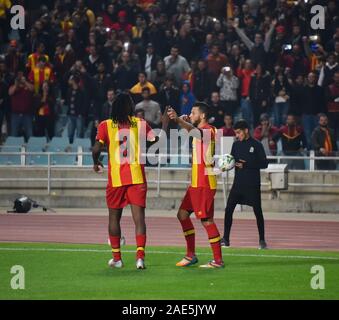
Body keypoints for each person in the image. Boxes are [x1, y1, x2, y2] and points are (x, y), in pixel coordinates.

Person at [92, 93, 167, 269]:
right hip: (137, 177)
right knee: (139, 219)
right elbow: (157, 141)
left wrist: (96, 162)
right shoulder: (140, 124)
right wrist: (164, 122)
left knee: (113, 219)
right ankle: (140, 257)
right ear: (130, 107)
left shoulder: (106, 125)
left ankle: (117, 259)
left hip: (116, 180)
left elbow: (96, 149)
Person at [167, 102, 224, 268]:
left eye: (193, 112)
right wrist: (184, 122)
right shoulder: (200, 131)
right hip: (196, 183)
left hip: (204, 183)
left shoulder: (209, 130)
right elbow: (192, 130)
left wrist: (178, 120)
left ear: (203, 115)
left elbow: (195, 131)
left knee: (207, 220)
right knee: (182, 215)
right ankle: (191, 255)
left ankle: (218, 261)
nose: (190, 114)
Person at [221, 119, 268, 250]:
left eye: (238, 132)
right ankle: (226, 239)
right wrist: (225, 166)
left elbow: (264, 164)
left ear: (246, 131)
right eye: (236, 133)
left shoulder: (257, 145)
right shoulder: (236, 145)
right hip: (238, 184)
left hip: (252, 184)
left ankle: (262, 240)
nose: (237, 135)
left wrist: (247, 164)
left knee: (258, 211)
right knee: (228, 209)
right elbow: (231, 161)